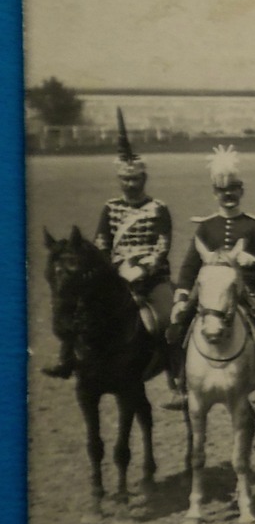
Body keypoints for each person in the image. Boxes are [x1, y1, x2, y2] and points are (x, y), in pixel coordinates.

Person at [45, 110, 183, 403]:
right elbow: (100, 244)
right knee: (79, 309)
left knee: (169, 321)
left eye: (135, 179)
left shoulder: (158, 208)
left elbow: (162, 245)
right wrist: (113, 268)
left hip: (151, 279)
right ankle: (67, 358)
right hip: (118, 276)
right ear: (120, 180)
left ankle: (177, 380)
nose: (131, 184)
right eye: (126, 180)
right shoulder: (110, 208)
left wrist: (144, 269)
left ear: (144, 178)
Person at [163, 145, 255, 408]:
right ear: (215, 193)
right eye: (222, 191)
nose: (228, 195)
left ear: (241, 190)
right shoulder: (206, 226)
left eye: (233, 189)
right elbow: (189, 267)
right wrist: (181, 297)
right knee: (178, 326)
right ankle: (181, 384)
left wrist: (252, 262)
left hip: (248, 289)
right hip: (210, 292)